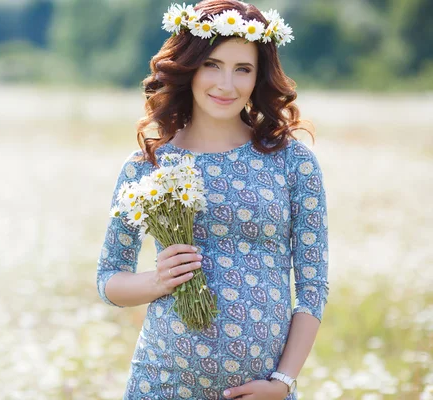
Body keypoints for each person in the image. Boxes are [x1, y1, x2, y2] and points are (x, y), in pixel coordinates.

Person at [96, 1, 329, 399]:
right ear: (189, 67)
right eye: (212, 65)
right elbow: (109, 280)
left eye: (243, 69)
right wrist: (156, 281)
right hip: (161, 384)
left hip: (263, 392)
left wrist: (283, 382)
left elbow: (313, 286)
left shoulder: (292, 161)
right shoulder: (149, 166)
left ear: (259, 78)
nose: (226, 84)